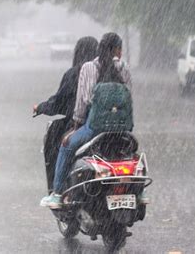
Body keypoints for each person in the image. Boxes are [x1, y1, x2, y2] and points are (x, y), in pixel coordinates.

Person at [40, 32, 132, 208]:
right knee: (130, 154)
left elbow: (83, 101)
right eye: (120, 49)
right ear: (117, 50)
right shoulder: (124, 68)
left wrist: (76, 123)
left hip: (94, 127)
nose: (121, 52)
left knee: (66, 145)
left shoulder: (88, 68)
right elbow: (129, 98)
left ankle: (58, 193)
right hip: (121, 128)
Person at [34, 37, 98, 193]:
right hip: (105, 124)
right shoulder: (106, 72)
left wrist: (41, 107)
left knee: (57, 140)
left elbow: (60, 103)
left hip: (81, 124)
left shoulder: (75, 73)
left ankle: (58, 190)